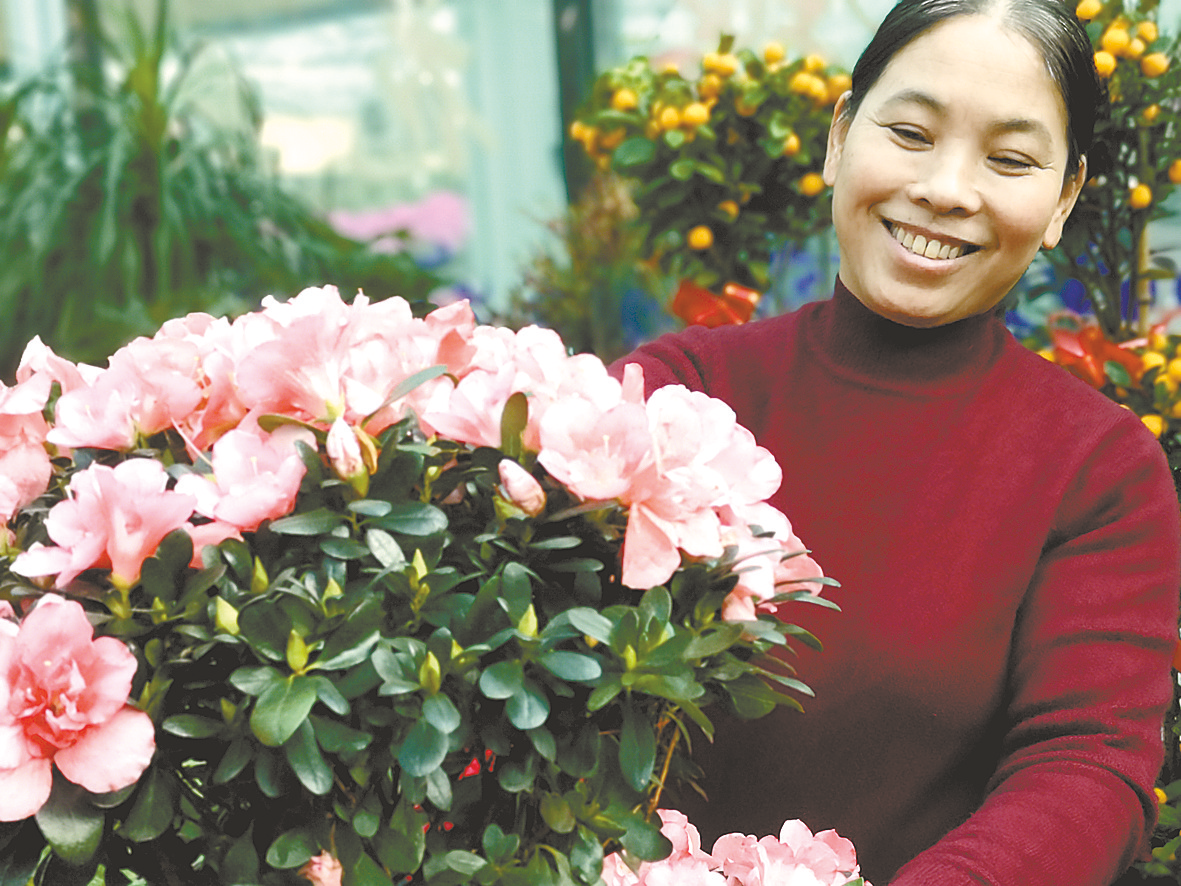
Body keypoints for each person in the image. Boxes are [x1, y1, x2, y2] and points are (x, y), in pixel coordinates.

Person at [612, 0, 1181, 883]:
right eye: (911, 133)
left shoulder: (1096, 469)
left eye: (1009, 158)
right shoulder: (683, 391)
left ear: (1063, 197)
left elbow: (1085, 767)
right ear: (840, 137)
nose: (948, 188)